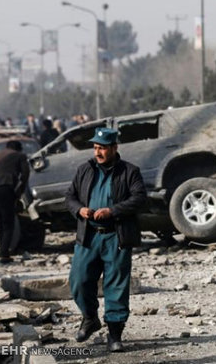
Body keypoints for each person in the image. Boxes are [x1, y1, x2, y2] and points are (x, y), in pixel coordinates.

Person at [65, 128, 146, 352]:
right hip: (88, 237)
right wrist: (79, 209)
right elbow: (69, 197)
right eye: (95, 147)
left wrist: (112, 211)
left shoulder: (130, 171)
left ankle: (115, 335)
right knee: (79, 281)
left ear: (114, 148)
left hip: (116, 236)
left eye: (102, 148)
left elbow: (139, 198)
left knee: (116, 286)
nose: (98, 152)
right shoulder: (85, 169)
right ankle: (90, 318)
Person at [0, 140, 30, 263]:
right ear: (19, 149)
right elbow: (25, 175)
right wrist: (18, 192)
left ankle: (3, 253)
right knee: (8, 222)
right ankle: (4, 253)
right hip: (5, 189)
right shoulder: (20, 156)